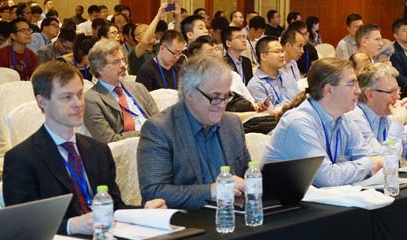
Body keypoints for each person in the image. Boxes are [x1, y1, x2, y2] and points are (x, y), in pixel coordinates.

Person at [3, 61, 166, 236]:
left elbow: (113, 207)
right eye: (67, 97)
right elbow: (22, 227)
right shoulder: (22, 158)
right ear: (42, 101)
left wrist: (144, 212)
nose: (78, 103)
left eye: (80, 94)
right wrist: (70, 225)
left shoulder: (98, 151)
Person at [137, 55, 251, 210]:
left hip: (232, 215)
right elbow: (154, 192)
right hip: (186, 219)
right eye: (215, 97)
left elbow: (248, 175)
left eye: (226, 96)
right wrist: (212, 190)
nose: (222, 105)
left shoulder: (232, 123)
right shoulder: (160, 129)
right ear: (189, 93)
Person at [261, 58, 383, 187]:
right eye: (351, 84)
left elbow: (372, 159)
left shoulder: (344, 119)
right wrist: (368, 164)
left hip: (322, 196)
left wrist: (370, 163)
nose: (358, 91)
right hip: (282, 198)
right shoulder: (299, 122)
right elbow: (327, 178)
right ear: (329, 90)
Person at [348, 63, 407, 163]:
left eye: (397, 90)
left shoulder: (387, 115)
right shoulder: (354, 118)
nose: (398, 97)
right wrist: (398, 122)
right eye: (391, 92)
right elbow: (384, 161)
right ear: (370, 94)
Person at [84, 39, 158, 143]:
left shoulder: (138, 88)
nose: (123, 65)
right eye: (116, 62)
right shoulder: (91, 99)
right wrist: (145, 133)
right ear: (100, 69)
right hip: (128, 148)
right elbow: (109, 140)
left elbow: (159, 121)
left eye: (123, 60)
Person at [247, 36, 300, 111]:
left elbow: (300, 102)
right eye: (277, 52)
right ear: (263, 56)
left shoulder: (287, 77)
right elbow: (271, 114)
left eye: (282, 51)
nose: (282, 55)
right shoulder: (255, 85)